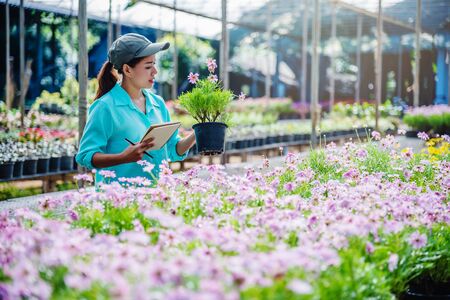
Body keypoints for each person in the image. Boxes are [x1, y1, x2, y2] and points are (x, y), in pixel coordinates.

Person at [76, 33, 196, 186]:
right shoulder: (105, 107)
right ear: (127, 70)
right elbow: (86, 155)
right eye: (148, 66)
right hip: (119, 201)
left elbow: (173, 150)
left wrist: (198, 133)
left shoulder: (157, 103)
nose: (155, 71)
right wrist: (123, 157)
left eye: (154, 64)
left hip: (157, 196)